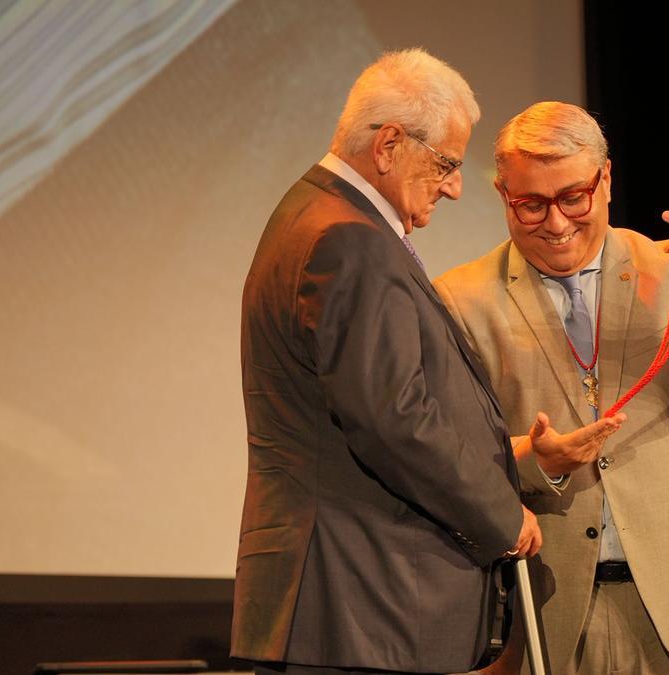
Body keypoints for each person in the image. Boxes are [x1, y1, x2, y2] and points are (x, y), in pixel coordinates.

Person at [230, 53, 622, 674]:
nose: (454, 186)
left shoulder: (312, 215)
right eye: (445, 162)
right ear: (389, 144)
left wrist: (510, 454)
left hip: (345, 604)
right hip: (361, 603)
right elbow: (393, 419)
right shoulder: (349, 238)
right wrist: (501, 516)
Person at [434, 101, 669, 674]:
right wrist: (532, 461)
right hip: (552, 605)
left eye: (574, 196)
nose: (556, 222)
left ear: (607, 179)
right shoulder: (462, 299)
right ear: (502, 194)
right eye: (531, 204)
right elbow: (448, 454)